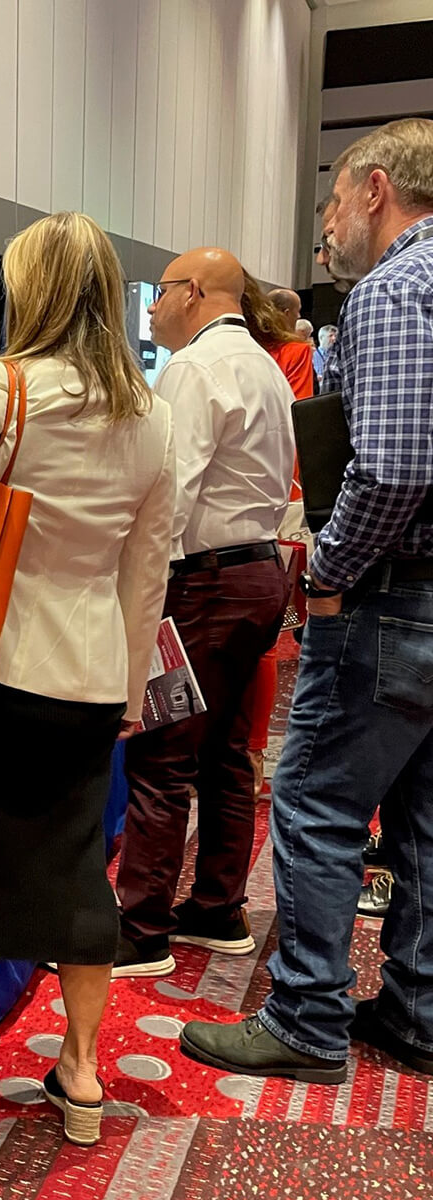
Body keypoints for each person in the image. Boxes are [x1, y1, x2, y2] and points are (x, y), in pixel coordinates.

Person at [0, 212, 175, 1145]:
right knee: (77, 865)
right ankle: (83, 1072)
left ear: (33, 291)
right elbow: (148, 572)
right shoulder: (151, 415)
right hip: (89, 674)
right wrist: (131, 692)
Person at [180, 117, 433, 1083]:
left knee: (318, 805)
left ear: (375, 189)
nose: (325, 225)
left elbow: (399, 464)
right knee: (421, 817)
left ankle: (306, 1021)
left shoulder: (393, 290)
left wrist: (329, 564)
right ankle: (415, 1010)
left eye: (330, 200)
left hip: (391, 595)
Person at [113, 248, 293, 980]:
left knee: (163, 752)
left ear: (192, 294)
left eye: (159, 294)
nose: (150, 309)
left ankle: (142, 927)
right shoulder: (266, 365)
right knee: (223, 752)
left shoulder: (190, 369)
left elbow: (170, 497)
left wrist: (134, 598)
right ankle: (216, 908)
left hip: (205, 582)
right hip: (256, 575)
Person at [239, 273, 315, 795]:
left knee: (254, 638)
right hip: (276, 499)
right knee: (264, 637)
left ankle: (242, 753)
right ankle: (248, 756)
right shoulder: (286, 353)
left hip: (259, 502)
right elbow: (296, 420)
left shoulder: (268, 353)